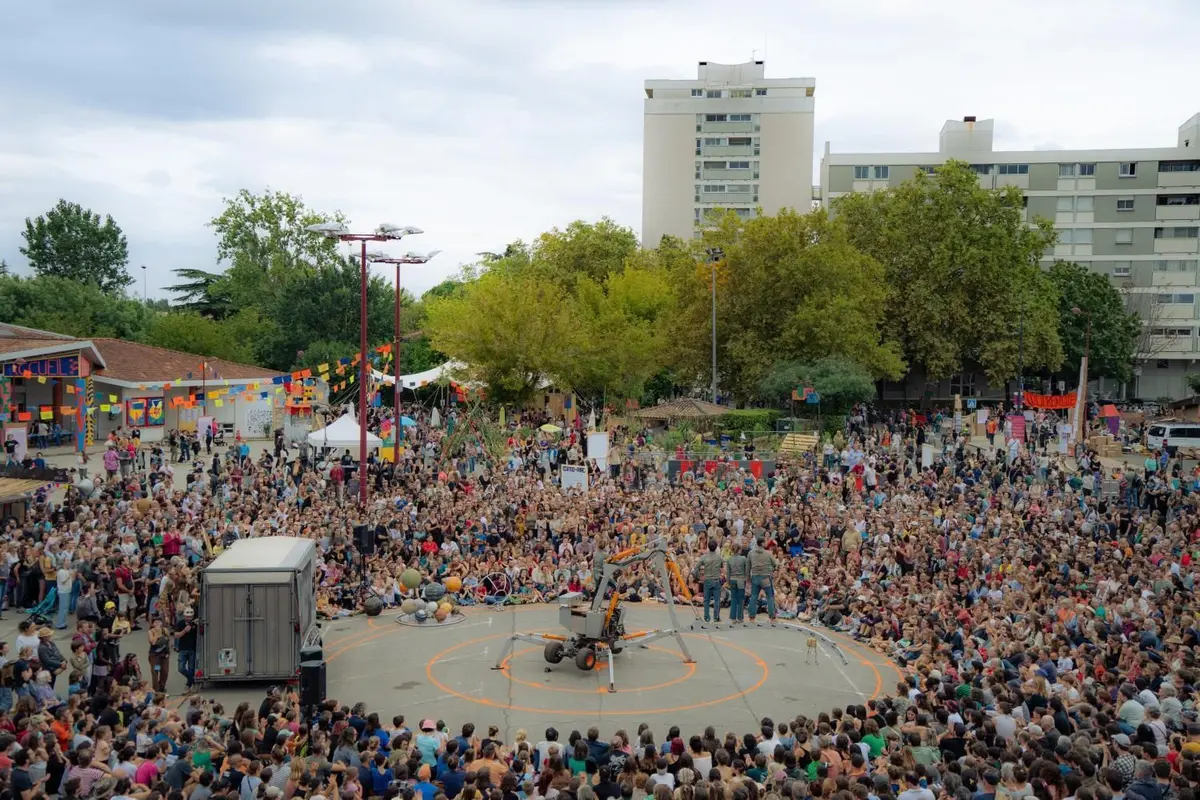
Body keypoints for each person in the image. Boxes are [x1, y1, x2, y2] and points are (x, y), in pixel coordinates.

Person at [173, 606, 198, 693]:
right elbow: (176, 635)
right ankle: (193, 680)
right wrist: (184, 631)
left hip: (192, 649)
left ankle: (188, 685)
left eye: (190, 617)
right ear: (184, 616)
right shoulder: (180, 623)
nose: (188, 618)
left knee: (191, 668)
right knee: (181, 668)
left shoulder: (195, 624)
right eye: (187, 616)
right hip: (183, 649)